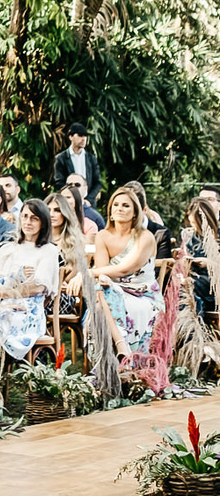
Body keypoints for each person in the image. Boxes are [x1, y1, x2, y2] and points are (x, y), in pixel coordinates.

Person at [0, 200, 59, 360]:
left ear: (43, 223)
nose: (28, 222)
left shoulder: (48, 250)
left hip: (28, 310)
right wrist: (15, 279)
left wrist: (5, 289)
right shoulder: (8, 248)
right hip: (4, 305)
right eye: (25, 217)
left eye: (34, 218)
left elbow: (37, 287)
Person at [92, 185, 162, 355]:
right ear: (110, 210)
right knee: (102, 292)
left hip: (142, 294)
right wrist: (101, 277)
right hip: (112, 291)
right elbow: (102, 271)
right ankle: (120, 348)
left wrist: (87, 273)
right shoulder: (102, 236)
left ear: (135, 212)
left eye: (125, 205)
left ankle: (117, 354)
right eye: (116, 205)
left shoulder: (145, 236)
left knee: (100, 300)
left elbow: (124, 270)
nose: (119, 209)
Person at [54, 123, 102, 205]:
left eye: (85, 136)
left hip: (88, 203)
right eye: (80, 135)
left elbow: (97, 182)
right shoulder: (61, 158)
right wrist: (70, 197)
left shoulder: (91, 158)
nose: (83, 139)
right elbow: (59, 182)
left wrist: (89, 200)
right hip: (69, 203)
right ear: (70, 137)